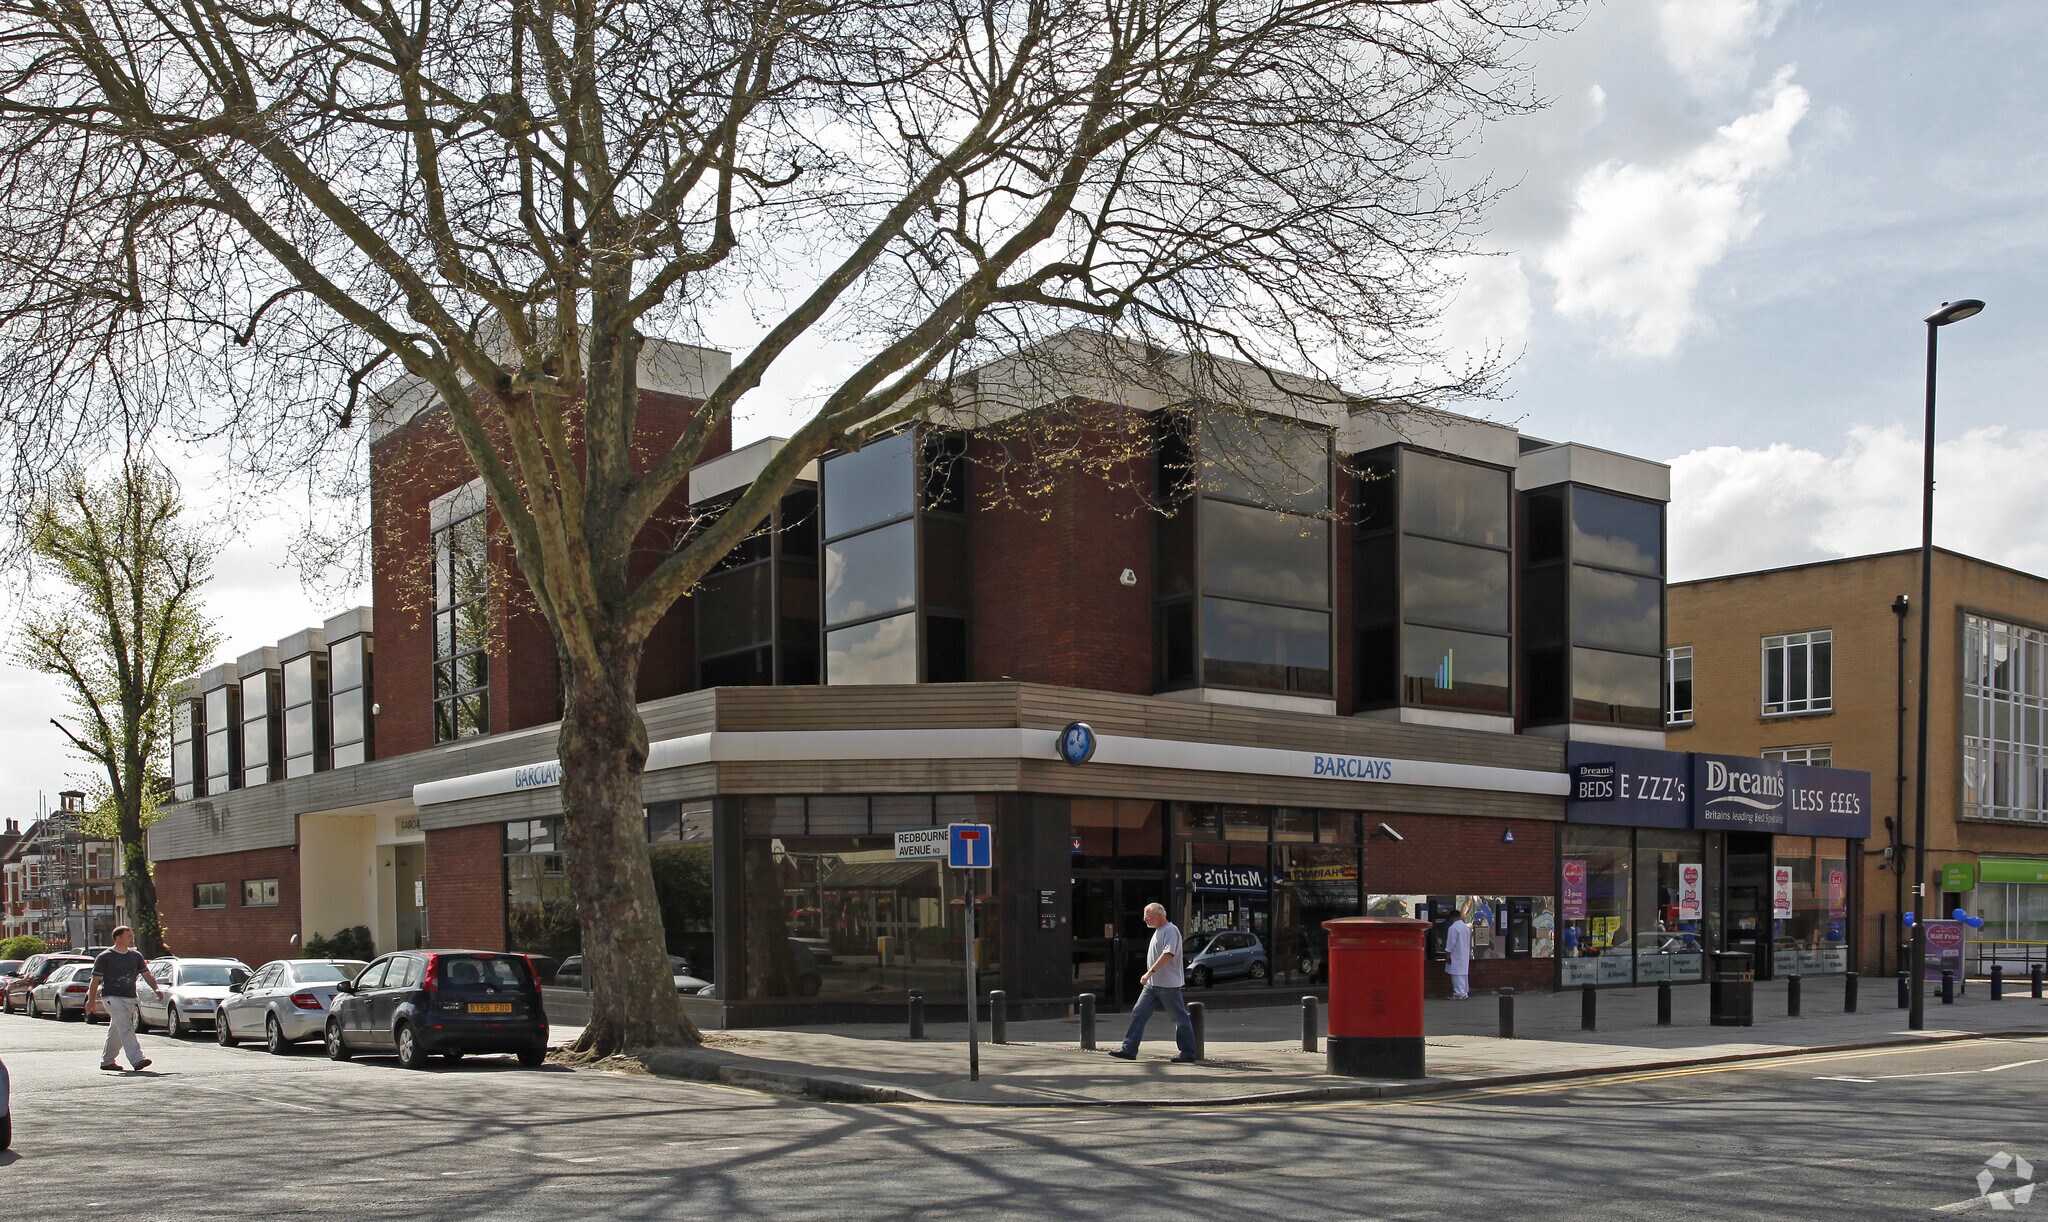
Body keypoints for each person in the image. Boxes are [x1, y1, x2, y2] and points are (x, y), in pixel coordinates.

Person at [1107, 903, 1198, 1063]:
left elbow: (1168, 954)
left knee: (1179, 1017)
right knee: (1139, 1013)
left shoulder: (1171, 930)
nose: (1144, 919)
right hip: (1153, 985)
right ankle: (1129, 1049)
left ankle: (1188, 1052)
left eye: (1147, 916)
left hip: (1167, 984)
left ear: (1159, 915)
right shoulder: (1159, 931)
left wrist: (1150, 972)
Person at [85, 926, 167, 1073]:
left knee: (116, 1030)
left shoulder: (136, 956)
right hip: (111, 997)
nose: (132, 938)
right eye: (128, 936)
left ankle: (107, 1061)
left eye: (132, 935)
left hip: (129, 997)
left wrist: (156, 988)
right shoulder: (105, 956)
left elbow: (147, 975)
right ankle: (137, 1059)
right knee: (127, 1027)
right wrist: (91, 1000)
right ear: (118, 938)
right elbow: (95, 980)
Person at [1444, 913, 1472, 1000]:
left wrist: (1447, 953)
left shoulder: (1453, 928)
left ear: (1452, 917)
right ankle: (1464, 992)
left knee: (1456, 974)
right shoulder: (1466, 928)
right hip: (1464, 953)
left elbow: (1451, 942)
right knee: (1463, 973)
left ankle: (1459, 993)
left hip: (1456, 953)